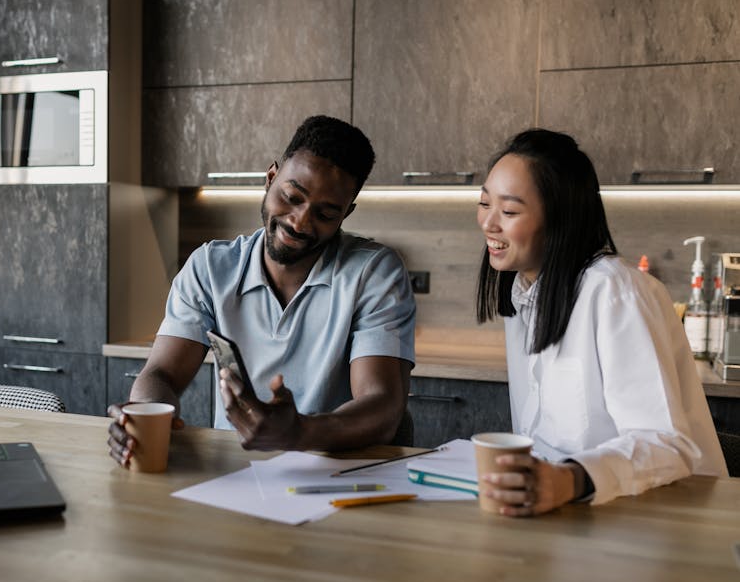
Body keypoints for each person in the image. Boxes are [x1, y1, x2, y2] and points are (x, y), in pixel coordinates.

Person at [107, 115, 416, 466]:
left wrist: (299, 432)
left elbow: (382, 405)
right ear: (271, 178)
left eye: (326, 214)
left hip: (341, 475)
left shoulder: (374, 272)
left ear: (347, 213)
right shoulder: (210, 267)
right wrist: (144, 417)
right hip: (237, 471)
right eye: (291, 196)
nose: (299, 221)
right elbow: (161, 373)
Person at [475, 128, 727, 516]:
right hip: (580, 517)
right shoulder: (523, 291)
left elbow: (665, 443)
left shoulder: (614, 291)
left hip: (667, 518)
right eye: (484, 203)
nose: (489, 224)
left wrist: (569, 480)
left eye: (508, 212)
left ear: (559, 217)